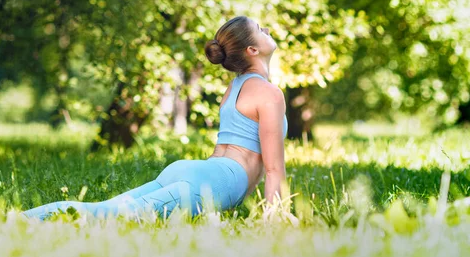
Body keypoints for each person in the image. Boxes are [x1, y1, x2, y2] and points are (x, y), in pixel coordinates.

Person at [23, 16, 288, 220]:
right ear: (252, 49)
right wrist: (275, 218)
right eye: (260, 28)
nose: (267, 30)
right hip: (216, 181)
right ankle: (14, 222)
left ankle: (17, 220)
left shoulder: (235, 87)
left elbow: (227, 148)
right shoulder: (269, 94)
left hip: (199, 171)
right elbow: (274, 168)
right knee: (105, 217)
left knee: (102, 211)